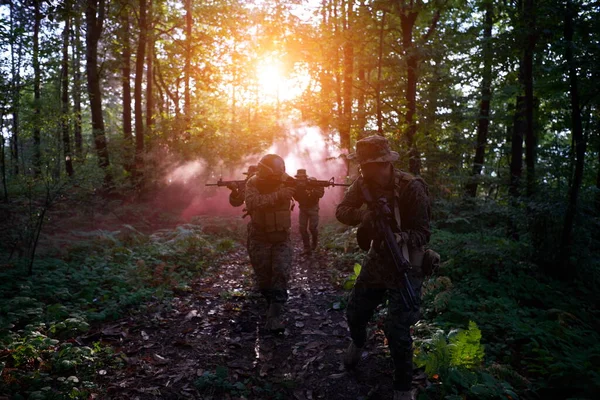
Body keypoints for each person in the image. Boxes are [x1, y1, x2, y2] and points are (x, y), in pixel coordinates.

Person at [335, 135, 431, 400]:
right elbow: (342, 211)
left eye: (371, 165)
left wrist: (402, 237)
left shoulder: (412, 188)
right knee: (355, 311)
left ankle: (402, 389)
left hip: (406, 261)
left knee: (397, 330)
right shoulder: (362, 183)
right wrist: (362, 215)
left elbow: (424, 232)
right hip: (378, 259)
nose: (365, 170)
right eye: (363, 165)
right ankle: (357, 343)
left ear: (386, 163)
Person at [244, 154, 295, 333]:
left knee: (281, 273)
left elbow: (304, 194)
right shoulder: (253, 182)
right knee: (264, 277)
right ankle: (269, 305)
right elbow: (252, 203)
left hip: (281, 237)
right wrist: (279, 195)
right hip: (259, 237)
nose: (279, 175)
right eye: (275, 172)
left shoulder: (287, 180)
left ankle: (275, 315)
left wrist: (312, 189)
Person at [293, 169, 325, 255]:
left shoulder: (312, 183)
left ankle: (314, 244)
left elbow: (320, 194)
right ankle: (307, 248)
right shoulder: (295, 186)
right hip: (303, 209)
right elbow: (295, 197)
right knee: (302, 228)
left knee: (312, 228)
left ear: (305, 177)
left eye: (302, 177)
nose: (300, 179)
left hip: (313, 208)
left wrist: (311, 190)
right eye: (298, 177)